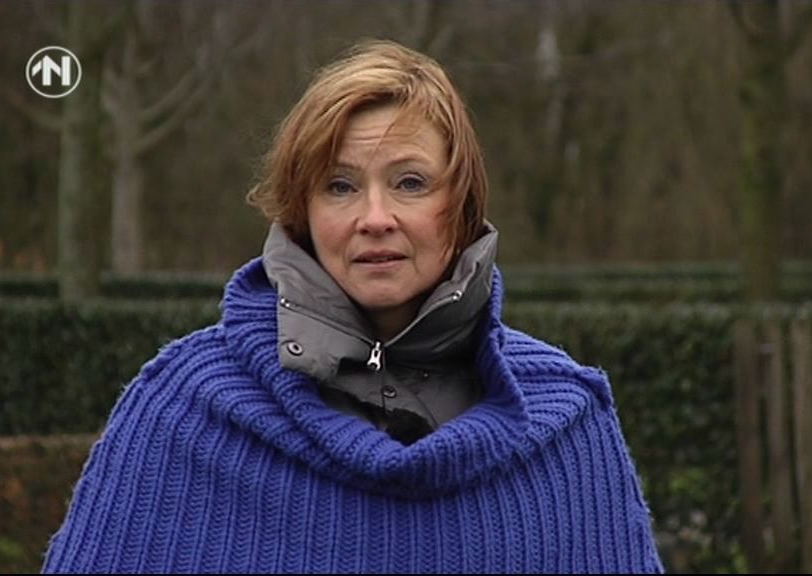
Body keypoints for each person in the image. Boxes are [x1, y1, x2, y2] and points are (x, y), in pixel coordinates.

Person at [43, 39, 663, 573]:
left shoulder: (566, 424)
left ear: (462, 204)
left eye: (410, 182)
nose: (375, 218)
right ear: (302, 211)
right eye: (339, 186)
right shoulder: (182, 409)